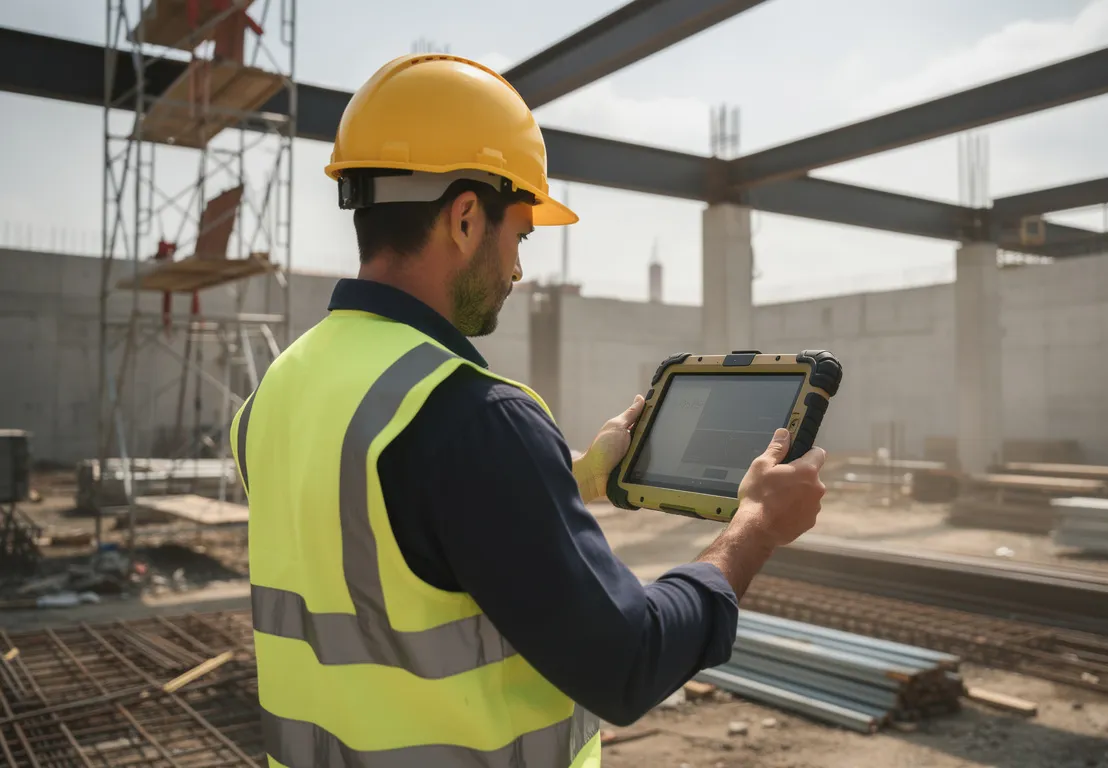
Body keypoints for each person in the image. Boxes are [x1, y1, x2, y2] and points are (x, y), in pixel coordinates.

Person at [230, 53, 828, 768]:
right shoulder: (475, 417)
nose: (518, 268)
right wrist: (757, 525)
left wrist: (571, 479)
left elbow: (394, 543)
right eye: (519, 235)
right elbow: (629, 660)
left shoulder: (279, 389)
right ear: (463, 218)